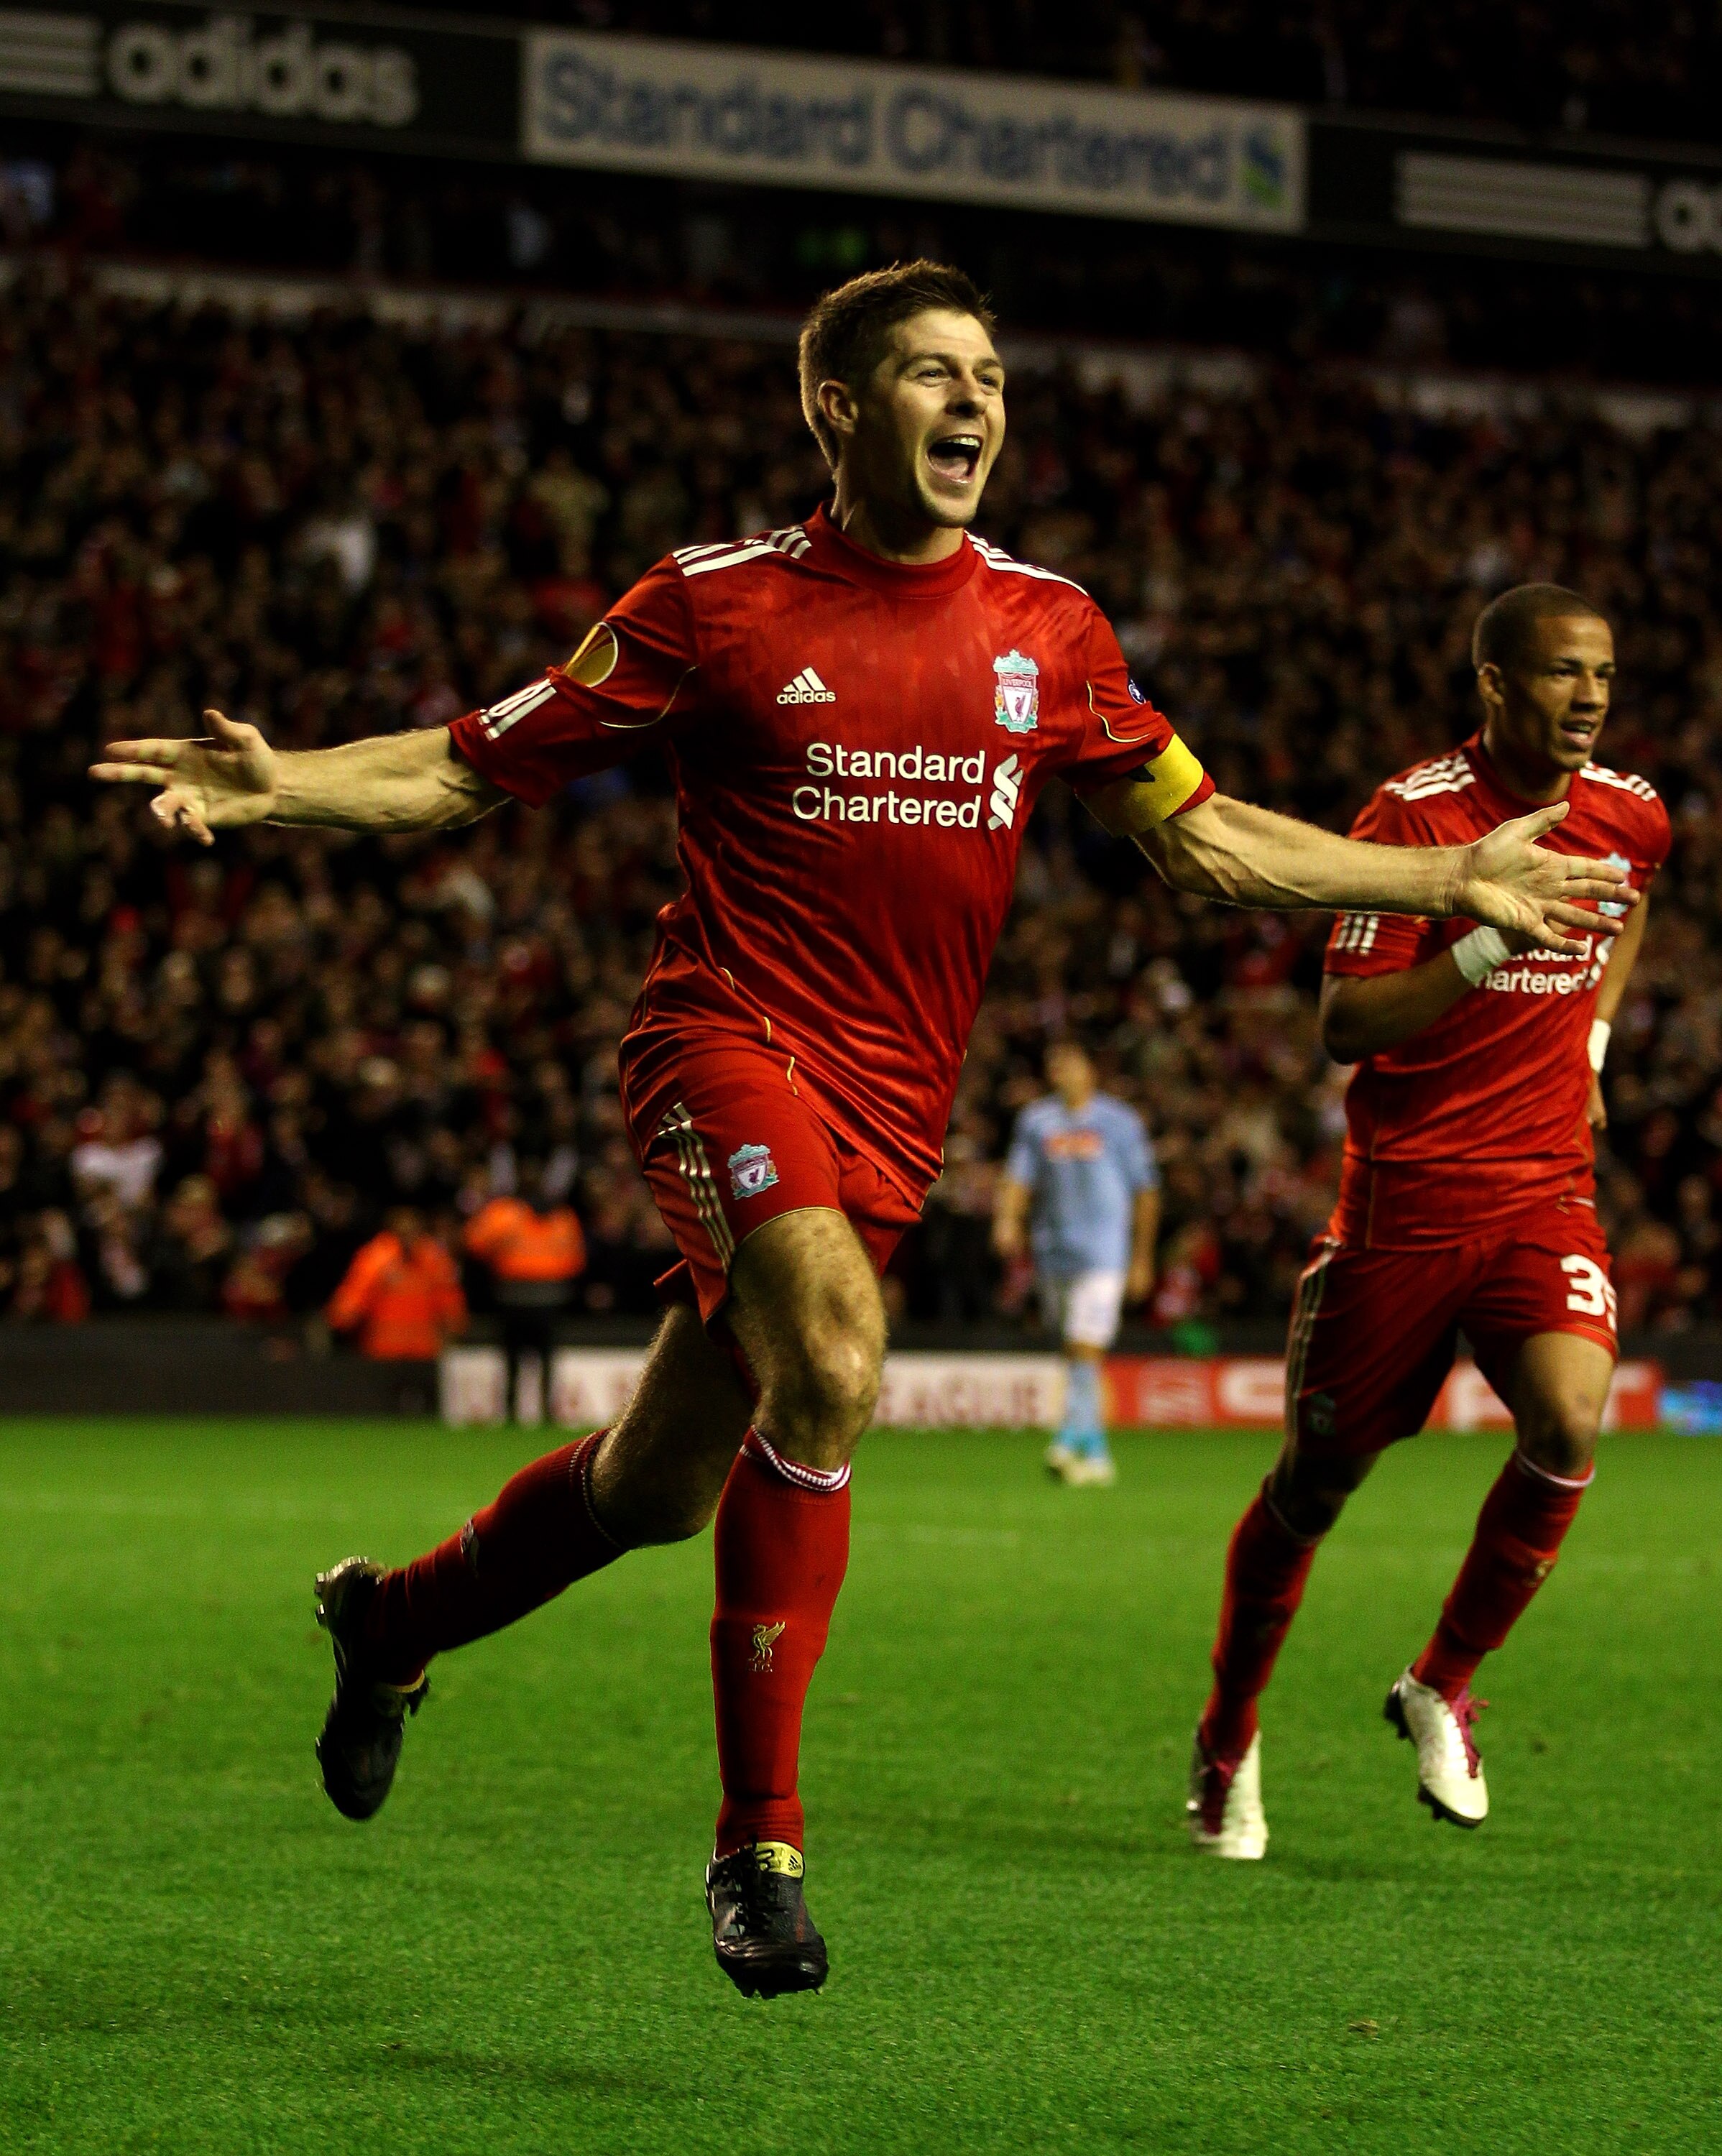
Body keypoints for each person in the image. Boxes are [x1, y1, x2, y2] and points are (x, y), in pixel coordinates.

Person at [91, 264, 1633, 1999]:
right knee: (831, 1356)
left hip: (890, 1118)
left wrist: (1450, 874)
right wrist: (279, 778)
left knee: (658, 1484)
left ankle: (393, 1622)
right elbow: (466, 762)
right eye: (927, 372)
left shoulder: (1053, 630)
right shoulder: (712, 604)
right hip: (719, 1048)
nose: (973, 401)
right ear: (837, 406)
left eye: (988, 373)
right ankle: (761, 1847)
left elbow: (1208, 843)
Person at [1188, 585, 1666, 1861]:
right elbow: (1345, 1025)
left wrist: (1598, 1039)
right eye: (1564, 674)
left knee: (1571, 1421)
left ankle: (1440, 1681)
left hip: (1541, 1189)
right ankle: (1227, 1741)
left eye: (1605, 674)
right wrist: (1476, 943)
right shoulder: (1412, 821)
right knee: (1313, 1489)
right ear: (1495, 683)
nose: (1591, 697)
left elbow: (1631, 902)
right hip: (1404, 1208)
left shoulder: (1627, 813)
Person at [995, 1040, 1158, 1485]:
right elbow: (1018, 1178)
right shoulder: (1037, 1122)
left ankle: (1067, 1439)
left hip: (1105, 1252)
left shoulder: (1119, 1122)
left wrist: (1142, 1257)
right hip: (1053, 1250)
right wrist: (1008, 1220)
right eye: (1054, 1065)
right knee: (1073, 1348)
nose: (1059, 1072)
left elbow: (1145, 1191)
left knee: (1086, 1344)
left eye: (1068, 1063)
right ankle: (1097, 1455)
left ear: (1090, 1070)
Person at [464, 1160, 587, 1421]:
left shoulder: (503, 1213)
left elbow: (475, 1244)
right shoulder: (562, 1217)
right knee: (540, 1361)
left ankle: (514, 1413)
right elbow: (576, 1260)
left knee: (515, 1361)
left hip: (516, 1296)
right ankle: (540, 1414)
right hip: (544, 1297)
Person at [327, 1207, 468, 1362]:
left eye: (412, 1231)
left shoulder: (434, 1259)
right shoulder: (375, 1259)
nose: (407, 1237)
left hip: (425, 1355)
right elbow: (344, 1313)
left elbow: (453, 1312)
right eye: (402, 1232)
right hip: (382, 1355)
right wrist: (377, 1283)